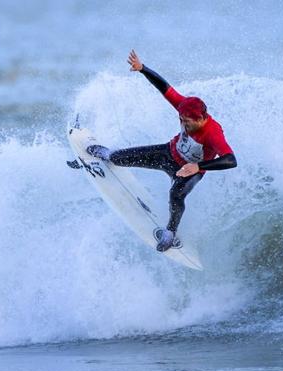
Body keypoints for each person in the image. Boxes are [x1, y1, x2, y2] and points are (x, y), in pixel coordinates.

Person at [87, 50, 237, 252]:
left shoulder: (213, 133)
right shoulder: (185, 108)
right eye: (181, 119)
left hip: (188, 171)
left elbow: (230, 160)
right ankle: (108, 155)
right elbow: (164, 87)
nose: (183, 123)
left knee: (176, 195)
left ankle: (170, 233)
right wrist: (142, 69)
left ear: (201, 118)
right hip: (168, 153)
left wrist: (197, 167)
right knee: (119, 157)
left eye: (188, 122)